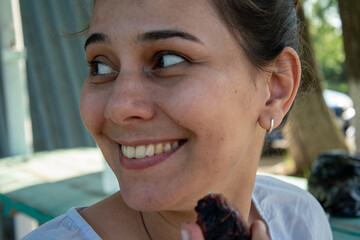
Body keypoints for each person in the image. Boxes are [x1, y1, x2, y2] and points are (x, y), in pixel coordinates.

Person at [23, 0, 333, 239]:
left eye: (168, 60)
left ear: (275, 89)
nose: (117, 107)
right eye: (101, 66)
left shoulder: (299, 221)